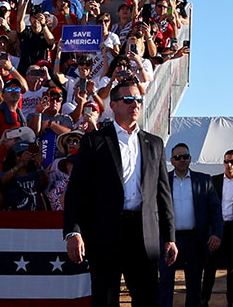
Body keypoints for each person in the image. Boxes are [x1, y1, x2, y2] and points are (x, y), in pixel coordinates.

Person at [63, 80, 177, 307]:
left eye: (138, 100)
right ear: (113, 105)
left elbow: (163, 194)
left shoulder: (154, 143)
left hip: (145, 235)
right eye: (128, 100)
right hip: (105, 233)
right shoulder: (95, 141)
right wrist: (72, 232)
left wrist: (170, 238)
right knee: (105, 299)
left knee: (147, 300)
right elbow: (77, 191)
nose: (135, 104)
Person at [159, 143, 222, 307]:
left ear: (190, 159)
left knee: (194, 285)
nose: (181, 160)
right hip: (169, 240)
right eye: (177, 157)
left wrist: (216, 233)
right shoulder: (162, 180)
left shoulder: (204, 181)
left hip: (195, 240)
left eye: (185, 157)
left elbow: (215, 210)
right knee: (165, 283)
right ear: (171, 161)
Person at [202, 150, 233, 307]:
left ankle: (231, 301)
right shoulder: (213, 181)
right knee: (210, 267)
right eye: (226, 161)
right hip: (216, 229)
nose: (229, 165)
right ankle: (204, 299)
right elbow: (207, 207)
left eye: (232, 161)